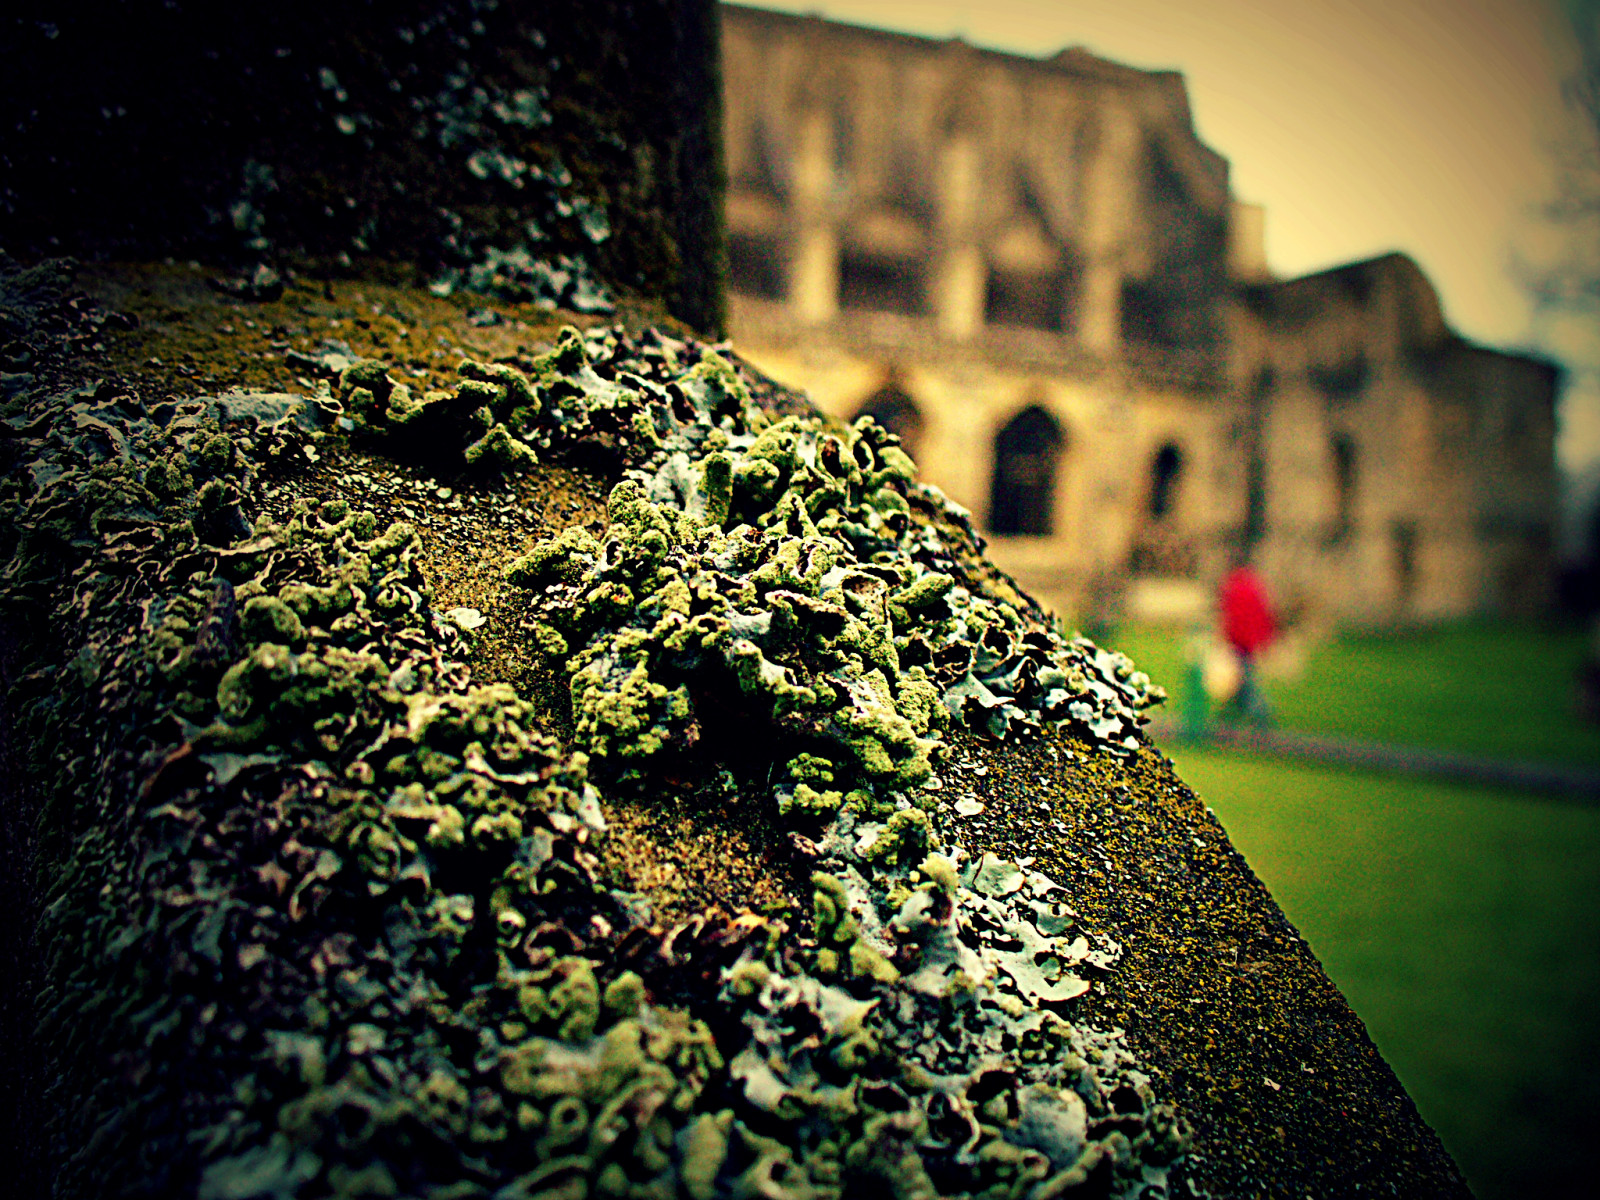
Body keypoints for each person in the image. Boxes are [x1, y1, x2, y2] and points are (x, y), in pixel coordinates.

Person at [1218, 560, 1276, 726]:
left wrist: (1227, 637)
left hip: (1239, 640)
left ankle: (1261, 713)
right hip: (1250, 640)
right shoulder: (1254, 586)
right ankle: (1230, 713)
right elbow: (1263, 614)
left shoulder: (1232, 587)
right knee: (1242, 677)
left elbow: (1231, 617)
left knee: (1245, 679)